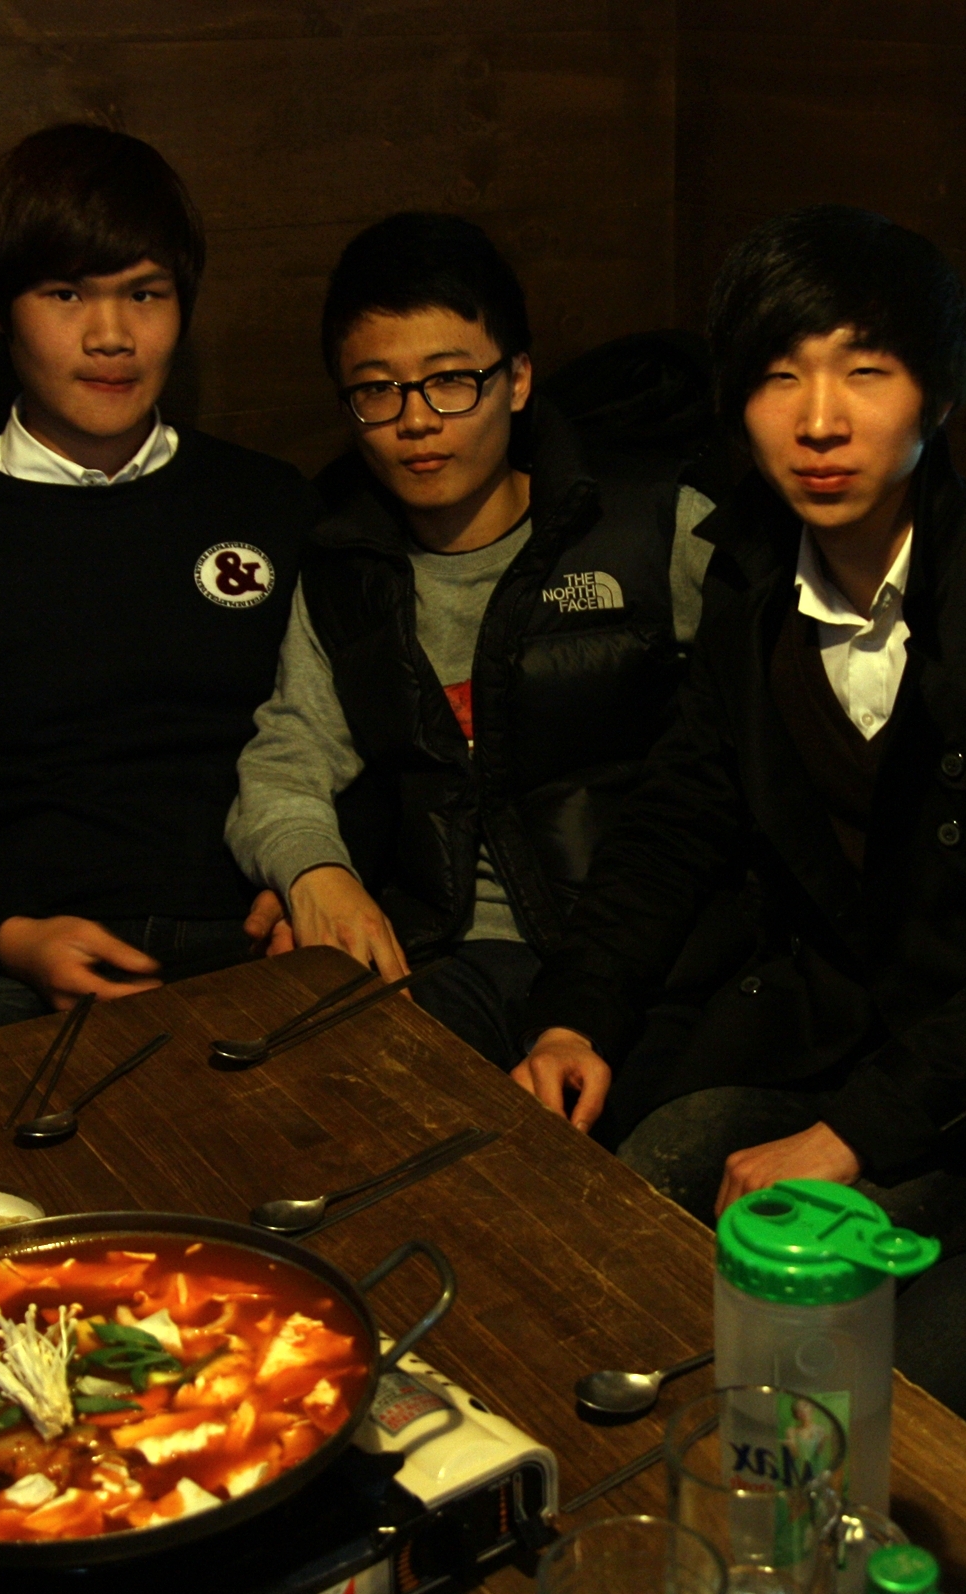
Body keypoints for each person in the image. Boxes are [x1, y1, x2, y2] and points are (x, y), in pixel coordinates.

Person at [509, 205, 966, 1222]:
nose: (819, 422)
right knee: (616, 1197)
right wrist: (576, 1015)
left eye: (866, 371)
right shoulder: (749, 575)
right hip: (826, 1041)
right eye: (779, 376)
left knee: (839, 1296)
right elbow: (674, 824)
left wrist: (859, 1133)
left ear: (940, 392)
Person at [0, 124, 319, 1041]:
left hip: (255, 931)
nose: (111, 337)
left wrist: (318, 874)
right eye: (65, 294)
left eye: (144, 294)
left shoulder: (270, 504)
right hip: (15, 962)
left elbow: (359, 739)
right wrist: (8, 938)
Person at [226, 213, 721, 1069]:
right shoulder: (348, 573)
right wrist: (314, 874)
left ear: (518, 379)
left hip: (652, 961)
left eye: (451, 381)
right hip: (455, 958)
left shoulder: (651, 528)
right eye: (377, 390)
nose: (416, 420)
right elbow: (286, 758)